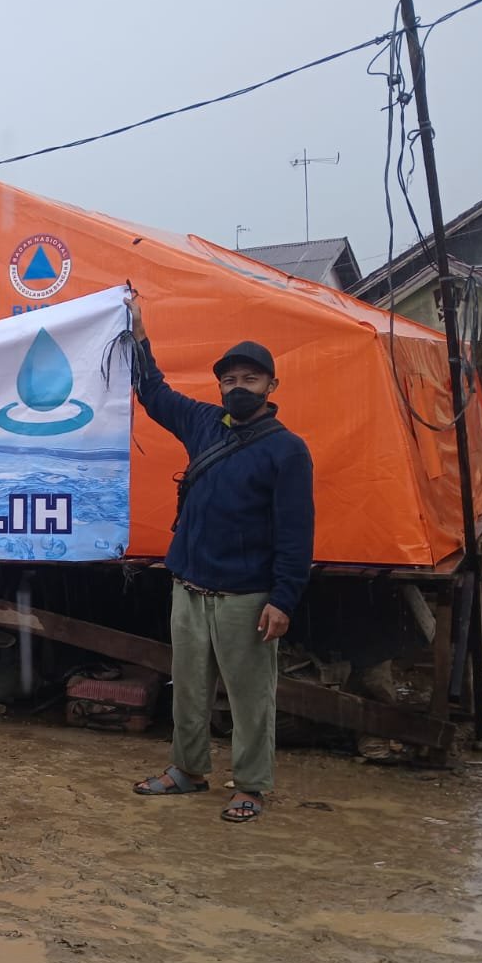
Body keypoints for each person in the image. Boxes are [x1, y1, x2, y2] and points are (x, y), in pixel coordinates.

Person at [127, 298, 314, 823]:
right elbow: (154, 393)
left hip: (247, 597)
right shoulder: (204, 424)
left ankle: (251, 785)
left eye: (250, 378)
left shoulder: (288, 451)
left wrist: (284, 599)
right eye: (230, 378)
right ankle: (187, 770)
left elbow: (297, 534)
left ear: (271, 386)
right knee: (187, 689)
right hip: (189, 586)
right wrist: (140, 337)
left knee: (250, 698)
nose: (238, 386)